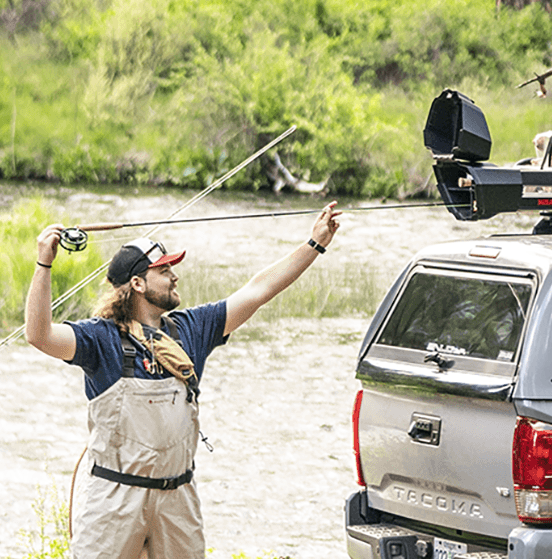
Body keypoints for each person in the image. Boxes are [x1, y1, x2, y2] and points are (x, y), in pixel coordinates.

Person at [24, 203, 344, 558]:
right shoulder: (100, 339)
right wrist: (44, 264)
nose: (174, 276)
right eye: (164, 270)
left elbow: (259, 290)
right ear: (137, 283)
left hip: (178, 499)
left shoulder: (193, 328)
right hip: (114, 501)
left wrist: (314, 245)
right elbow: (39, 335)